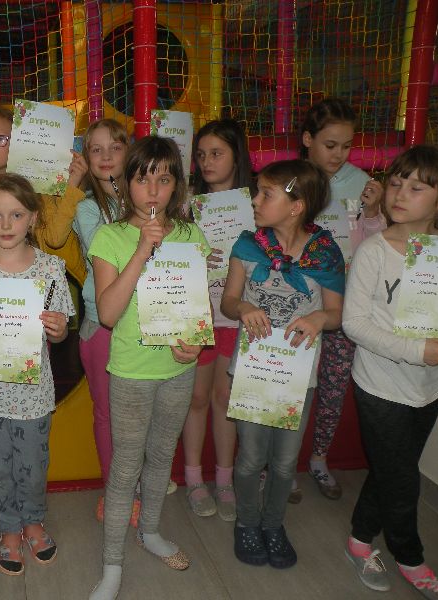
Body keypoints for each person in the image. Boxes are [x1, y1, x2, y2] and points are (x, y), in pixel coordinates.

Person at [88, 136, 209, 600]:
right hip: (132, 373)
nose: (153, 189)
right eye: (143, 178)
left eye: (164, 178)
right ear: (126, 184)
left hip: (177, 371)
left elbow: (196, 309)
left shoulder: (191, 235)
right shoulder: (110, 237)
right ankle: (112, 564)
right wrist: (141, 249)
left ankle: (151, 530)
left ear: (177, 185)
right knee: (125, 466)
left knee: (161, 458)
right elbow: (108, 313)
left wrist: (194, 346)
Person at [221, 159, 344, 569]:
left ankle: (273, 524)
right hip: (254, 370)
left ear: (296, 206)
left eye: (265, 194)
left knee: (286, 461)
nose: (255, 201)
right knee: (250, 458)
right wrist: (243, 308)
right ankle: (247, 522)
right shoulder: (247, 246)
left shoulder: (325, 254)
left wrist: (319, 318)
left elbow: (336, 314)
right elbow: (229, 301)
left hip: (297, 376)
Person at [0, 174, 75, 576]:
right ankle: (8, 527)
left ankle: (33, 521)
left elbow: (60, 332)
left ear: (33, 218)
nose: (6, 224)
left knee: (32, 463)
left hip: (32, 391)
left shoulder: (51, 268)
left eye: (17, 214)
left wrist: (58, 328)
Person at [342, 144, 438, 595]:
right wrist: (418, 351)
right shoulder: (374, 252)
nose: (400, 194)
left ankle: (359, 540)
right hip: (379, 386)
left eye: (416, 187)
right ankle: (410, 555)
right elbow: (355, 324)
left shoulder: (436, 253)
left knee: (390, 469)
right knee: (402, 479)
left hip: (429, 387)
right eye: (397, 183)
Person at [299, 98, 385, 501]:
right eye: (330, 145)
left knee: (333, 386)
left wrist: (374, 211)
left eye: (347, 146)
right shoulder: (291, 179)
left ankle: (319, 458)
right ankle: (278, 464)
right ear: (308, 140)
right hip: (297, 301)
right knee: (292, 381)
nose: (339, 154)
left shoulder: (361, 183)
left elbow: (373, 245)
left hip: (343, 304)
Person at [180, 118, 254, 521]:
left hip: (236, 317)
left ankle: (224, 480)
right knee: (196, 398)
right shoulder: (187, 203)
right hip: (198, 313)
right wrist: (193, 254)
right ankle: (194, 478)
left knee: (226, 400)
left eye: (216, 153)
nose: (206, 161)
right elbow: (168, 255)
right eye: (201, 154)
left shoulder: (256, 205)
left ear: (236, 156)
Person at [71, 118, 133, 522]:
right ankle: (115, 489)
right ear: (87, 158)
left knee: (138, 412)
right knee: (108, 413)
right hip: (103, 324)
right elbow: (105, 248)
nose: (106, 155)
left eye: (115, 147)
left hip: (145, 323)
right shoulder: (88, 207)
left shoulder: (150, 202)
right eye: (96, 149)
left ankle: (136, 480)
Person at [0, 105, 87, 271]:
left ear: (19, 142)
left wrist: (72, 186)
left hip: (40, 276)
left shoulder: (40, 185)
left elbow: (55, 239)